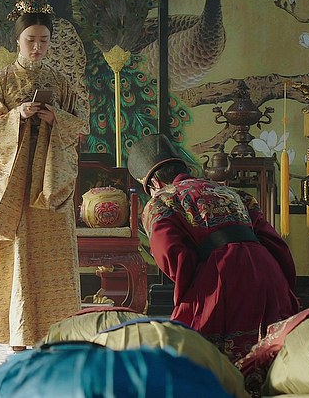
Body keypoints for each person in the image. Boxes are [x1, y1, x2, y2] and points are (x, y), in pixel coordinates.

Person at [0, 0, 89, 351]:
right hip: (16, 183)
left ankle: (56, 333)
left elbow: (79, 126)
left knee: (52, 252)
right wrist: (16, 116)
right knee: (17, 248)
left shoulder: (62, 83)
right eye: (30, 40)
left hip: (50, 178)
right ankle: (16, 334)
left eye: (43, 40)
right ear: (17, 40)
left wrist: (56, 119)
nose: (37, 47)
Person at [126, 134, 299, 362]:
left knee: (199, 356)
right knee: (272, 356)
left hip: (220, 276)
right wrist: (284, 285)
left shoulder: (161, 201)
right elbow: (274, 242)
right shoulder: (233, 193)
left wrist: (194, 289)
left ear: (154, 184)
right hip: (267, 270)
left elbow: (171, 254)